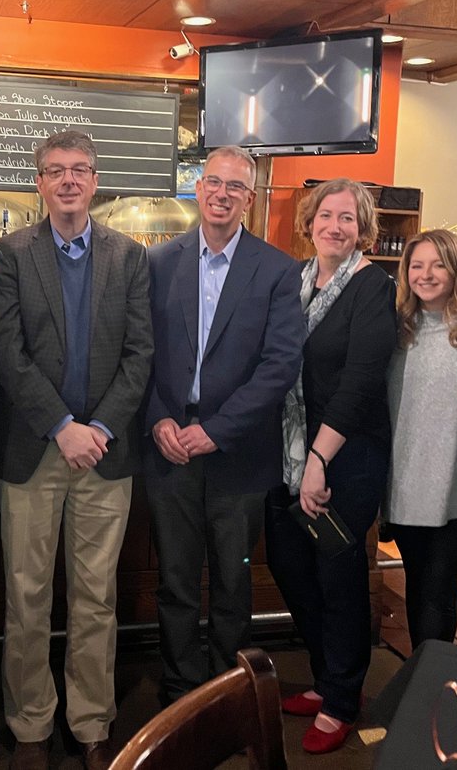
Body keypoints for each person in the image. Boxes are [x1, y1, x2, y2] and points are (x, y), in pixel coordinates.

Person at [0, 129, 153, 770]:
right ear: (39, 182)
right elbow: (6, 352)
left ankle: (90, 721)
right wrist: (61, 424)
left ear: (95, 179)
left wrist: (100, 428)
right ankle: (31, 724)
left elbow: (141, 356)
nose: (69, 181)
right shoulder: (9, 253)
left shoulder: (129, 257)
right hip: (35, 448)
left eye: (80, 170)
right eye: (56, 170)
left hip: (105, 454)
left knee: (96, 597)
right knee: (26, 595)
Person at [144, 145, 304, 704]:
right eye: (214, 182)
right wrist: (160, 418)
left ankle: (226, 699)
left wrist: (217, 429)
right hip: (170, 452)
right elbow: (140, 353)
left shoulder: (279, 270)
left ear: (250, 198)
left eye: (235, 186)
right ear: (197, 187)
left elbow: (280, 364)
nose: (222, 193)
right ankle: (181, 696)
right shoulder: (160, 261)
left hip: (236, 455)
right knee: (176, 582)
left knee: (234, 584)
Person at [264, 178, 397, 755]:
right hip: (289, 456)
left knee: (338, 578)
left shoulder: (373, 286)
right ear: (310, 221)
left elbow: (362, 379)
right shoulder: (292, 280)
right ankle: (325, 679)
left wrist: (320, 457)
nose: (335, 226)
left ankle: (343, 698)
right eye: (326, 215)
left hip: (348, 456)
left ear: (363, 230)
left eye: (349, 218)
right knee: (292, 569)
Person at [385, 229, 457, 647]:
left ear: (456, 268)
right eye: (416, 265)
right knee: (417, 587)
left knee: (439, 593)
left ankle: (432, 690)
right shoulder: (396, 329)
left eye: (437, 264)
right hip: (406, 487)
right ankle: (424, 680)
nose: (425, 275)